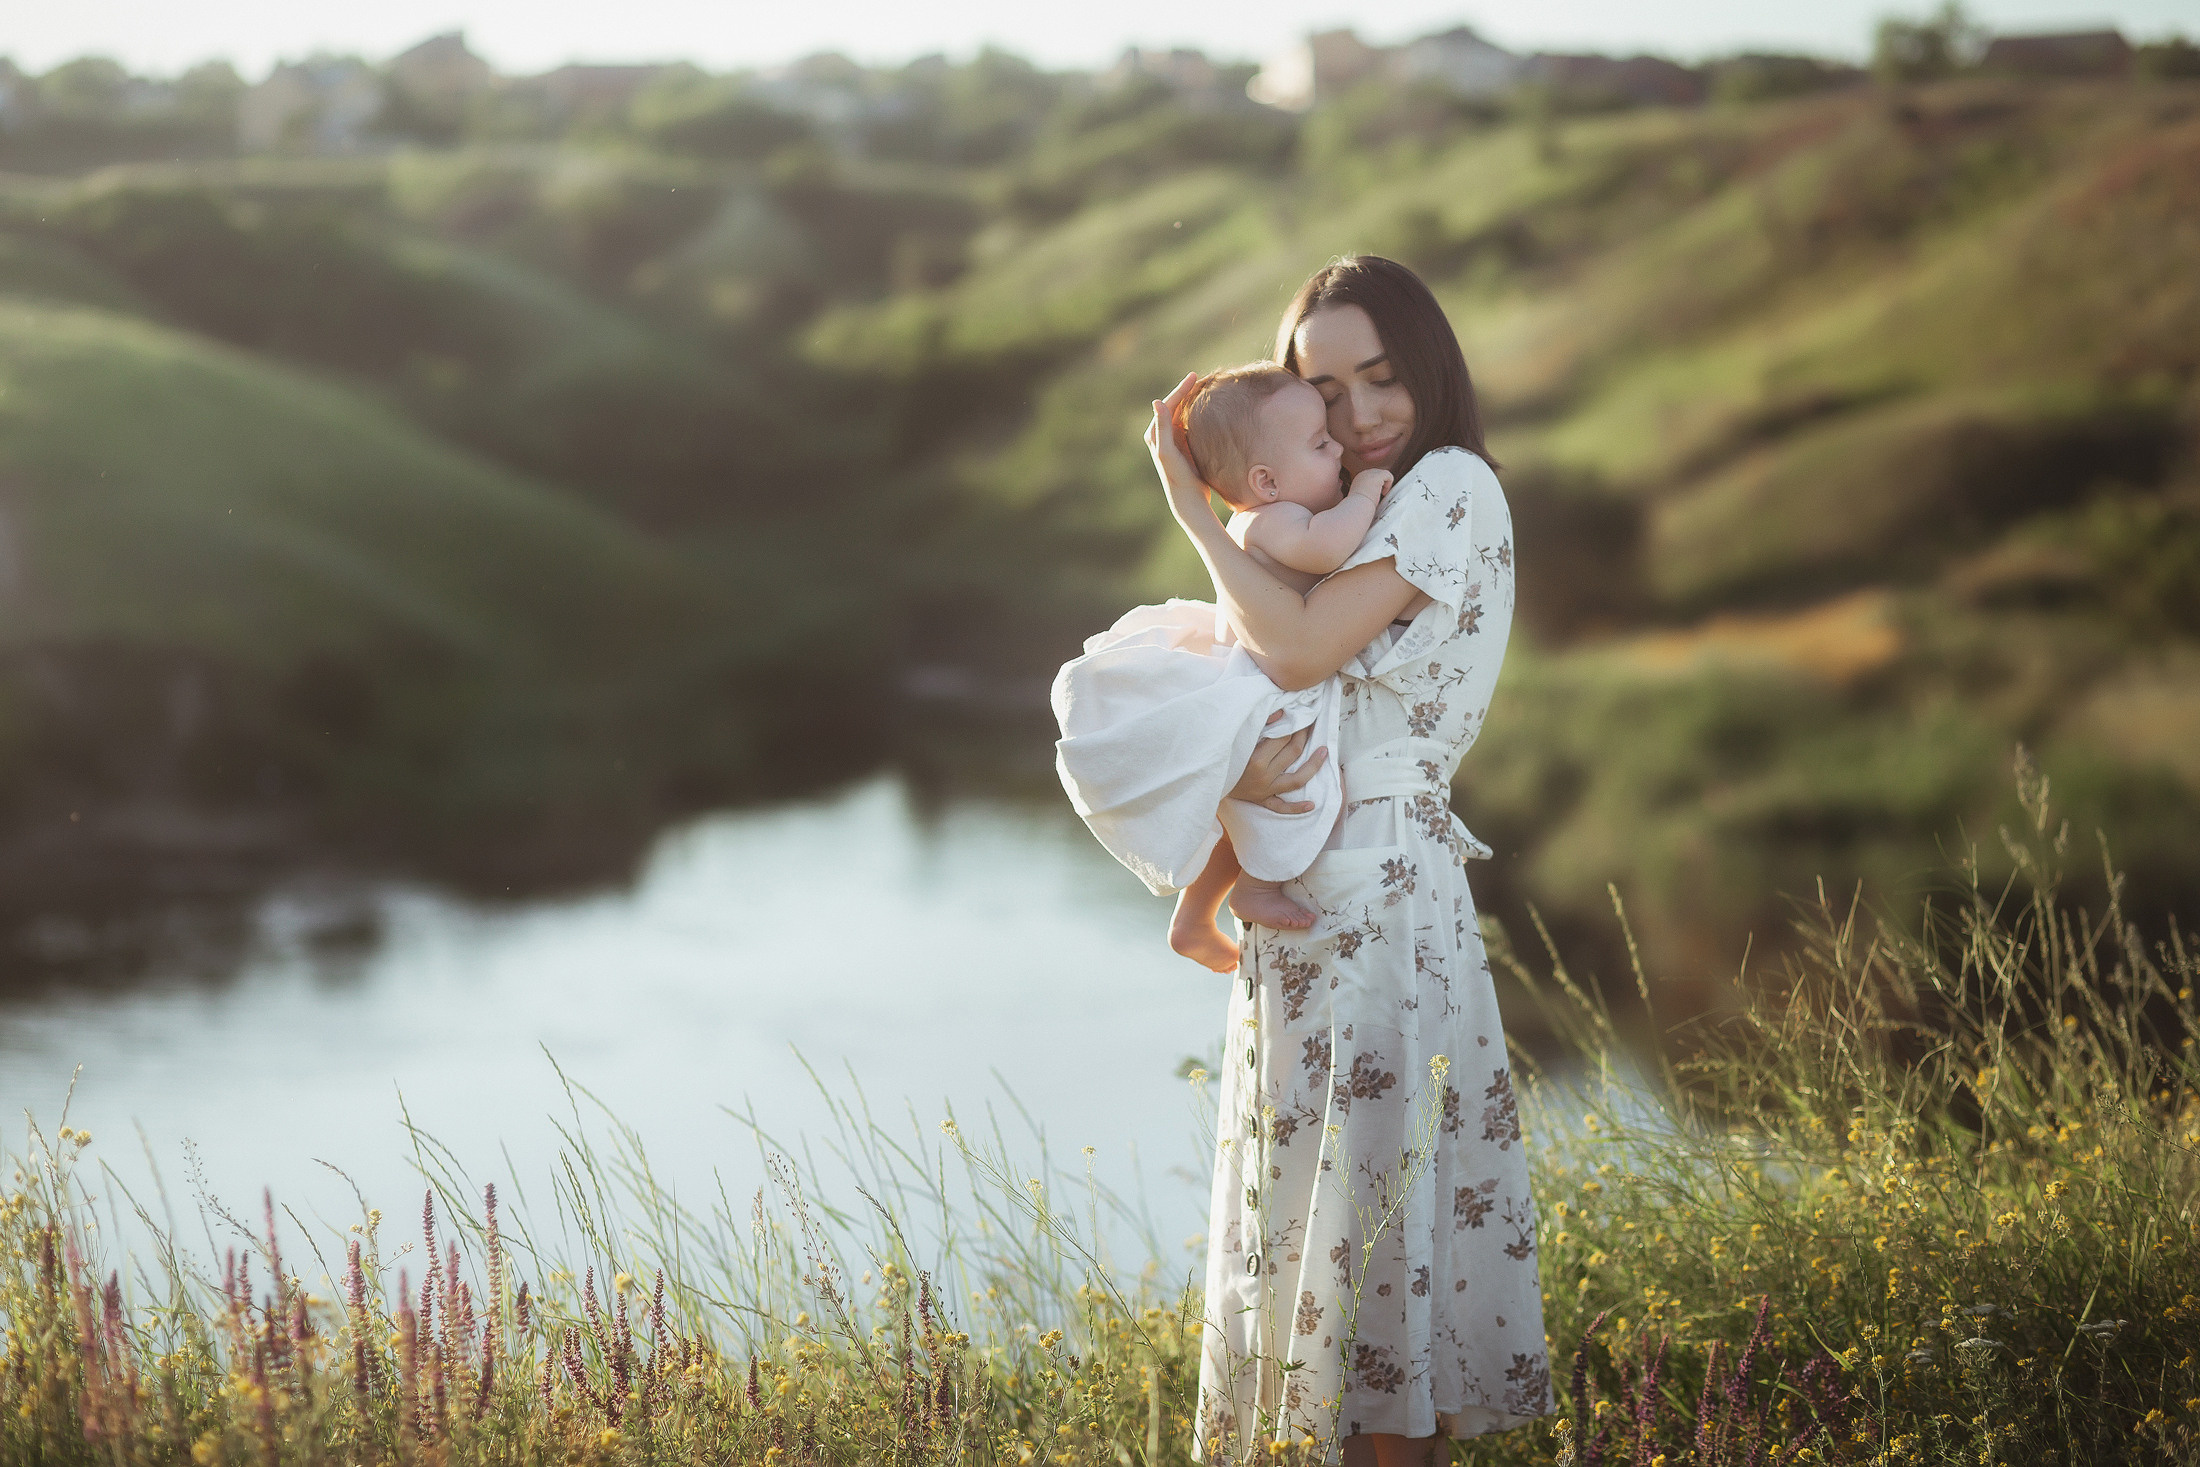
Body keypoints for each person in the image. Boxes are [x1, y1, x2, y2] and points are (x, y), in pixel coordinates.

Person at [1147, 256, 1551, 1465]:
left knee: (1380, 1258)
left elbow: (1307, 654)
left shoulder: (1447, 488)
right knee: (1316, 1243)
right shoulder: (1338, 509)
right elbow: (1268, 693)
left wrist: (1192, 516)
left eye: (1380, 376)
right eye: (1324, 387)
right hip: (1312, 891)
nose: (1359, 410)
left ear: (1428, 364)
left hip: (1380, 888)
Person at [1051, 361, 1394, 973]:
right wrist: (1367, 490)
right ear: (1266, 481)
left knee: (1250, 795)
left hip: (1257, 670)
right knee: (1293, 785)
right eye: (1320, 445)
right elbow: (1328, 548)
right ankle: (1254, 888)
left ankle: (1195, 915)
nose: (1338, 447)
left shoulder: (1261, 514)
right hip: (1262, 682)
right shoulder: (1279, 520)